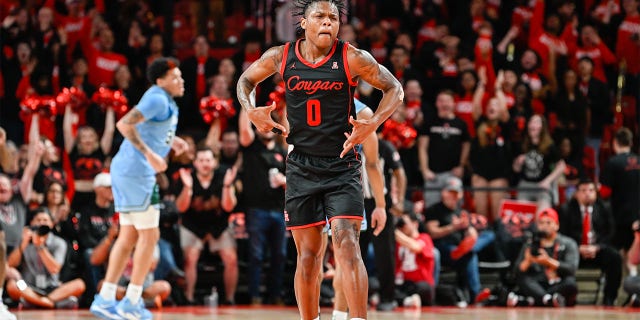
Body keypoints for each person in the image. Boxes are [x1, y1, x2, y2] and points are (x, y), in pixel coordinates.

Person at [236, 1, 403, 319]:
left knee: (346, 242)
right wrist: (249, 108)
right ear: (304, 23)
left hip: (343, 165)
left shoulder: (352, 57)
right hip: (301, 166)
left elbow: (394, 88)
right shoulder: (280, 56)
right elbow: (245, 81)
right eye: (320, 17)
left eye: (333, 17)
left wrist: (375, 121)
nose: (328, 22)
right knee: (309, 256)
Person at [90, 57, 188, 320]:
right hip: (136, 172)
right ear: (160, 80)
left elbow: (150, 129)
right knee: (150, 236)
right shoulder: (156, 97)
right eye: (175, 77)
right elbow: (125, 124)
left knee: (129, 235)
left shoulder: (163, 100)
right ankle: (132, 300)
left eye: (181, 76)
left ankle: (106, 297)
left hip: (127, 170)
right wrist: (150, 155)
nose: (181, 81)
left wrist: (173, 142)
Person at [174, 147, 238, 304]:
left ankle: (230, 299)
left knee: (231, 258)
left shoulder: (224, 175)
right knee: (190, 257)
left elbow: (229, 207)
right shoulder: (186, 177)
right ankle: (189, 297)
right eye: (201, 160)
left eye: (208, 160)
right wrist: (188, 188)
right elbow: (180, 208)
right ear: (195, 163)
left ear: (214, 162)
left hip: (219, 225)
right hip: (193, 226)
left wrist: (227, 186)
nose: (205, 164)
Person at [238, 106, 287, 306]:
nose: (264, 127)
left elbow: (292, 179)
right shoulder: (251, 146)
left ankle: (276, 295)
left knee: (280, 255)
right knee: (256, 255)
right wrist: (246, 102)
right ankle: (255, 295)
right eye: (261, 122)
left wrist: (284, 181)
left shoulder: (281, 150)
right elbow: (243, 130)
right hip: (256, 209)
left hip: (278, 209)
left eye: (268, 122)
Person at [5, 208, 86, 309]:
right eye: (38, 220)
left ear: (51, 224)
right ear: (32, 223)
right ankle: (49, 303)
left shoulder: (59, 242)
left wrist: (40, 247)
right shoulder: (24, 239)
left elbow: (54, 269)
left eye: (45, 220)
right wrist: (24, 243)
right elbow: (10, 264)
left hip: (53, 288)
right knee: (12, 285)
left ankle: (37, 302)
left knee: (79, 284)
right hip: (28, 287)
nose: (41, 223)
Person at [558, 179, 621, 306]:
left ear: (596, 193)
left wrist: (597, 247)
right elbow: (562, 234)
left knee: (615, 257)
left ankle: (609, 299)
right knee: (559, 256)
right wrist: (576, 247)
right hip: (574, 250)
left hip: (597, 250)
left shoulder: (604, 208)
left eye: (591, 190)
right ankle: (567, 296)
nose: (587, 193)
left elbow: (611, 233)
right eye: (583, 190)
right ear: (576, 193)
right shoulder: (566, 209)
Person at [514, 208, 579, 307]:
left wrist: (548, 262)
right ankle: (549, 300)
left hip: (557, 282)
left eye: (548, 223)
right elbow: (517, 271)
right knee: (523, 279)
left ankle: (538, 299)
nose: (544, 226)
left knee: (570, 283)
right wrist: (528, 260)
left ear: (557, 225)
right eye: (541, 223)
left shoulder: (568, 243)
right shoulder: (531, 244)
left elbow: (571, 269)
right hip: (538, 282)